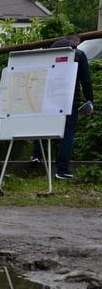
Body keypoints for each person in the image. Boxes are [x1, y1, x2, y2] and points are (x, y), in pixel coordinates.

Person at [33, 33, 94, 179]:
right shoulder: (78, 54)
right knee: (67, 135)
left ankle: (36, 155)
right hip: (69, 100)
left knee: (43, 127)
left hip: (47, 99)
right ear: (76, 42)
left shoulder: (48, 53)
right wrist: (90, 101)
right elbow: (86, 81)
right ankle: (62, 170)